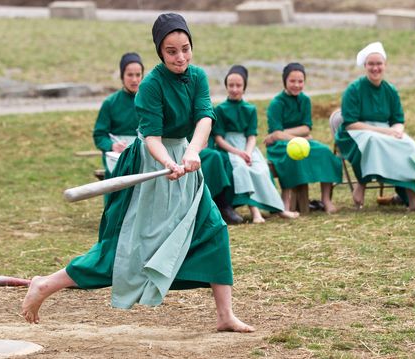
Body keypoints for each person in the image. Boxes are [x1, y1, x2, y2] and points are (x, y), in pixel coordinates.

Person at [22, 13, 254, 333]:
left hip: (184, 159)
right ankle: (46, 285)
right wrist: (168, 163)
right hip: (150, 161)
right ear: (160, 51)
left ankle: (224, 314)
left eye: (185, 48)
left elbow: (204, 118)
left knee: (213, 229)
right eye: (171, 51)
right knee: (126, 249)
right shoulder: (150, 85)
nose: (180, 57)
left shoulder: (197, 76)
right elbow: (152, 138)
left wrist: (190, 153)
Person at [335, 42, 415, 212]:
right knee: (372, 141)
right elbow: (350, 123)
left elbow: (397, 119)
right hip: (355, 133)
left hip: (385, 131)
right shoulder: (354, 89)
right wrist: (386, 131)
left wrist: (398, 131)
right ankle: (361, 184)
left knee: (408, 145)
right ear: (365, 66)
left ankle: (413, 200)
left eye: (378, 64)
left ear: (385, 65)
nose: (375, 68)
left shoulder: (390, 90)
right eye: (371, 64)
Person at [213, 65, 299, 223]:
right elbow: (219, 138)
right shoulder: (220, 109)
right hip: (229, 148)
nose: (234, 89)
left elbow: (251, 136)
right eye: (230, 85)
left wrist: (248, 151)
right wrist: (238, 153)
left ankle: (279, 209)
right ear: (226, 87)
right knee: (241, 167)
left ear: (244, 87)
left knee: (261, 168)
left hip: (247, 146)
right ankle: (255, 212)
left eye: (238, 85)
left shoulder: (250, 108)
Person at [264, 63, 342, 214]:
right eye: (292, 81)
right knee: (290, 157)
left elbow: (306, 128)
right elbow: (277, 135)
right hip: (280, 146)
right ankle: (285, 204)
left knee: (324, 152)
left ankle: (326, 199)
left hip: (302, 141)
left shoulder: (305, 100)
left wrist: (285, 133)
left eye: (300, 81)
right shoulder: (276, 103)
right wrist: (298, 137)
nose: (296, 85)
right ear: (285, 81)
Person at [93, 52, 144, 177]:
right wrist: (112, 146)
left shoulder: (150, 101)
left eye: (138, 75)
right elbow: (100, 134)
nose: (134, 80)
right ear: (122, 76)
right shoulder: (110, 103)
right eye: (130, 75)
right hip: (117, 160)